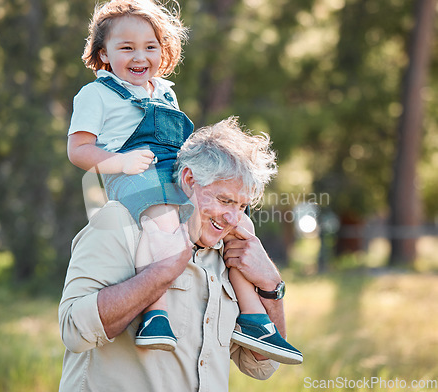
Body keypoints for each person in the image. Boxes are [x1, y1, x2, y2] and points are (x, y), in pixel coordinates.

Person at [66, 0, 301, 362]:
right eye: (126, 47)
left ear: (164, 51)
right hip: (134, 174)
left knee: (242, 228)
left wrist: (272, 282)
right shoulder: (96, 94)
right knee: (161, 221)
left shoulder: (164, 91)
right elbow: (78, 150)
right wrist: (120, 161)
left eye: (150, 46)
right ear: (103, 54)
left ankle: (254, 317)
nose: (139, 55)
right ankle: (155, 315)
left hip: (175, 173)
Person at [59, 117, 303, 392]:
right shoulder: (120, 222)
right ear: (189, 179)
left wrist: (271, 286)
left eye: (243, 205)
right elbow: (73, 331)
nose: (234, 218)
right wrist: (161, 273)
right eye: (224, 200)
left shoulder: (230, 254)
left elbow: (261, 364)